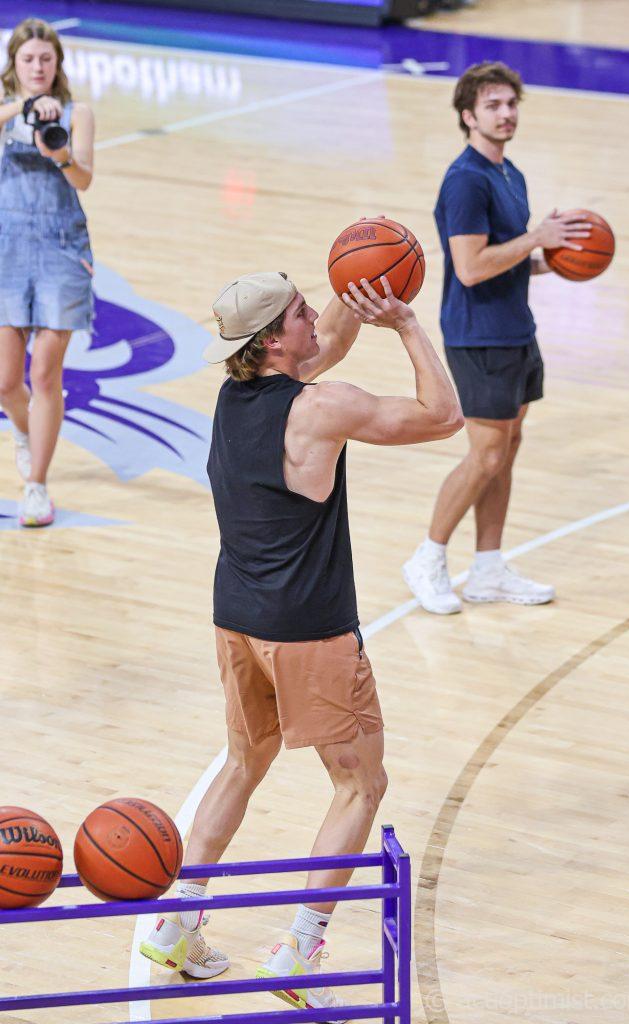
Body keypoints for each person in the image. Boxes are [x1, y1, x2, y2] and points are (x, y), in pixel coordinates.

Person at [140, 269, 463, 1014]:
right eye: (299, 311)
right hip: (309, 630)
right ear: (272, 341)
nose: (315, 313)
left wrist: (354, 286)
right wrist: (407, 324)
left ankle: (176, 924)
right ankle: (299, 947)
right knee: (360, 785)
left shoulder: (235, 397)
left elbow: (322, 351)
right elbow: (443, 416)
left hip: (236, 616)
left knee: (242, 761)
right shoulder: (322, 407)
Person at [402, 61, 591, 614]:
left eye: (511, 104)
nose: (506, 114)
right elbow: (469, 268)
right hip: (478, 335)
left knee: (507, 449)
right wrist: (536, 237)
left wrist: (552, 260)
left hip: (514, 329)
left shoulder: (510, 173)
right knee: (485, 455)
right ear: (468, 115)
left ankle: (487, 568)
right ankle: (428, 557)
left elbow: (502, 259)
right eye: (493, 106)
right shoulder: (466, 180)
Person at [0, 18, 95, 526]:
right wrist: (24, 109)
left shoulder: (79, 113)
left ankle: (36, 485)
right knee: (5, 382)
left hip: (61, 249)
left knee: (44, 374)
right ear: (13, 63)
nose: (37, 67)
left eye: (46, 58)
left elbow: (84, 179)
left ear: (57, 63)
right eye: (28, 59)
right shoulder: (6, 109)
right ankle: (24, 430)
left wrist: (59, 154)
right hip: (7, 249)